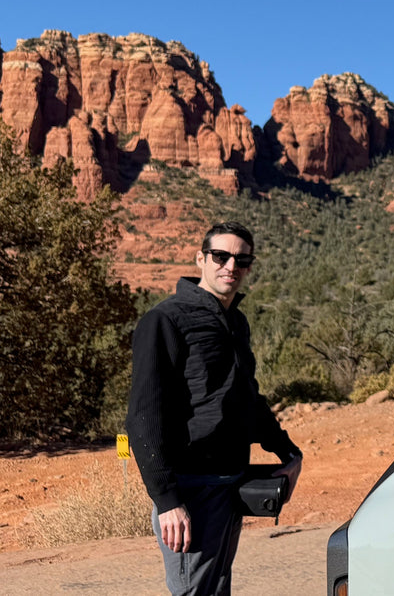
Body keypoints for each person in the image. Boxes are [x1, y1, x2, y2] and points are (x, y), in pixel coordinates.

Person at [127, 221, 302, 596]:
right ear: (200, 259)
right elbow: (144, 416)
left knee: (216, 587)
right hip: (190, 488)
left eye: (241, 259)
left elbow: (247, 398)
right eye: (220, 256)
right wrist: (167, 500)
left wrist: (286, 450)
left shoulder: (235, 322)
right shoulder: (165, 320)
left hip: (229, 482)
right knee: (195, 591)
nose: (230, 266)